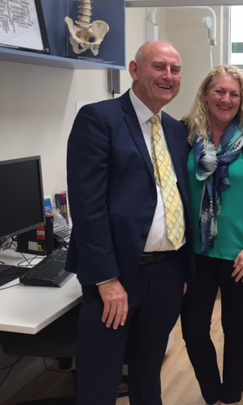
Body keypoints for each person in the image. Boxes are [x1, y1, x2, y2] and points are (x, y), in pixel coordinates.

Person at [65, 41, 194, 405]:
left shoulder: (175, 130)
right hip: (118, 276)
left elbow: (177, 197)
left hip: (167, 274)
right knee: (100, 380)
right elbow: (87, 208)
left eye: (175, 69)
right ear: (135, 70)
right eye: (159, 67)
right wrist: (107, 280)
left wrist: (181, 269)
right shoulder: (99, 119)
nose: (168, 76)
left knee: (148, 372)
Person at [181, 65, 243, 405]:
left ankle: (231, 396)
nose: (226, 99)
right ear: (206, 94)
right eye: (219, 91)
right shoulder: (185, 136)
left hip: (241, 255)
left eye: (234, 94)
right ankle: (213, 394)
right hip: (197, 255)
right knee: (193, 330)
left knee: (239, 333)